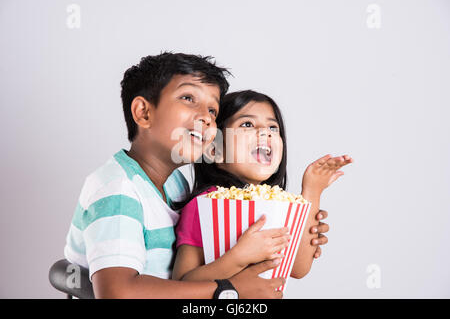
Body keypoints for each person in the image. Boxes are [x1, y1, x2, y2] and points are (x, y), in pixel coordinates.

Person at [63, 53, 286, 298]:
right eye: (188, 98)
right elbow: (118, 293)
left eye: (212, 110)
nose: (206, 117)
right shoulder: (118, 188)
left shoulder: (175, 184)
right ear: (144, 113)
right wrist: (228, 290)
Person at [172, 90, 353, 283]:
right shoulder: (204, 205)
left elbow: (298, 268)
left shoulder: (278, 204)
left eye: (273, 128)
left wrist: (312, 191)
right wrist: (238, 258)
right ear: (215, 149)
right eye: (247, 124)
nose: (265, 132)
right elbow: (182, 284)